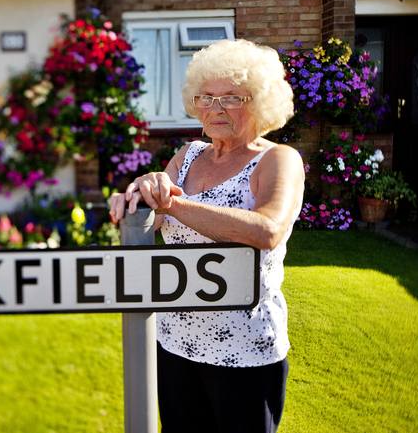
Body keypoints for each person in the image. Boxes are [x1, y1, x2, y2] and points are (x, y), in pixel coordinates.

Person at [108, 38, 305, 433]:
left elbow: (267, 230)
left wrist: (175, 206)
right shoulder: (189, 154)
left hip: (245, 349)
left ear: (260, 101)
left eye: (231, 97)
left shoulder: (277, 159)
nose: (215, 109)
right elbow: (156, 223)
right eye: (206, 97)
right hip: (174, 341)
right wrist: (137, 199)